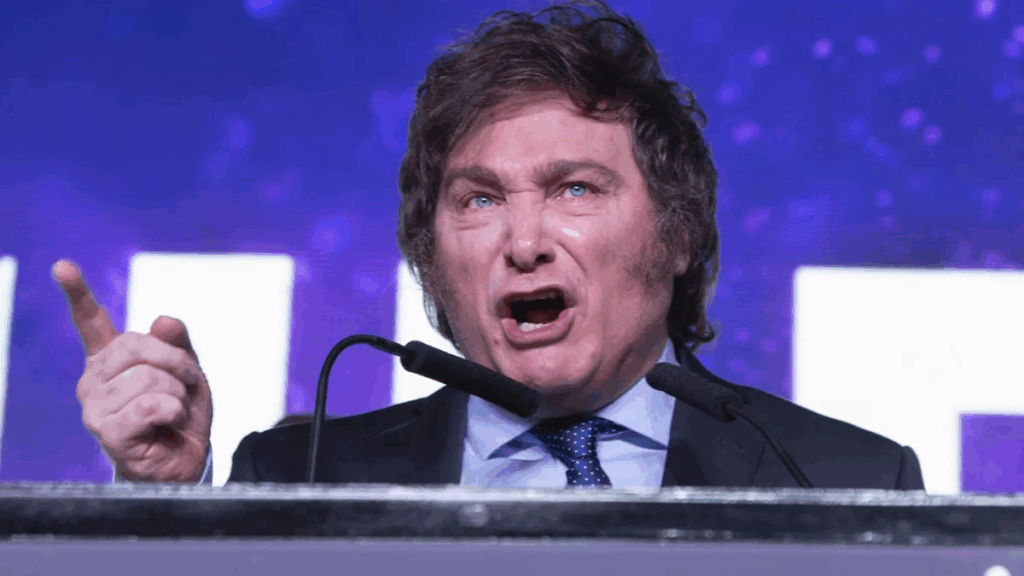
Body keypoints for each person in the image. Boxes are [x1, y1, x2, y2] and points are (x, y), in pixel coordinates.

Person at [56, 1, 924, 489]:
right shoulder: (298, 477)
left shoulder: (842, 480)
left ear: (679, 230)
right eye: (479, 199)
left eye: (575, 188)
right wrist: (163, 507)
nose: (524, 242)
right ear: (431, 259)